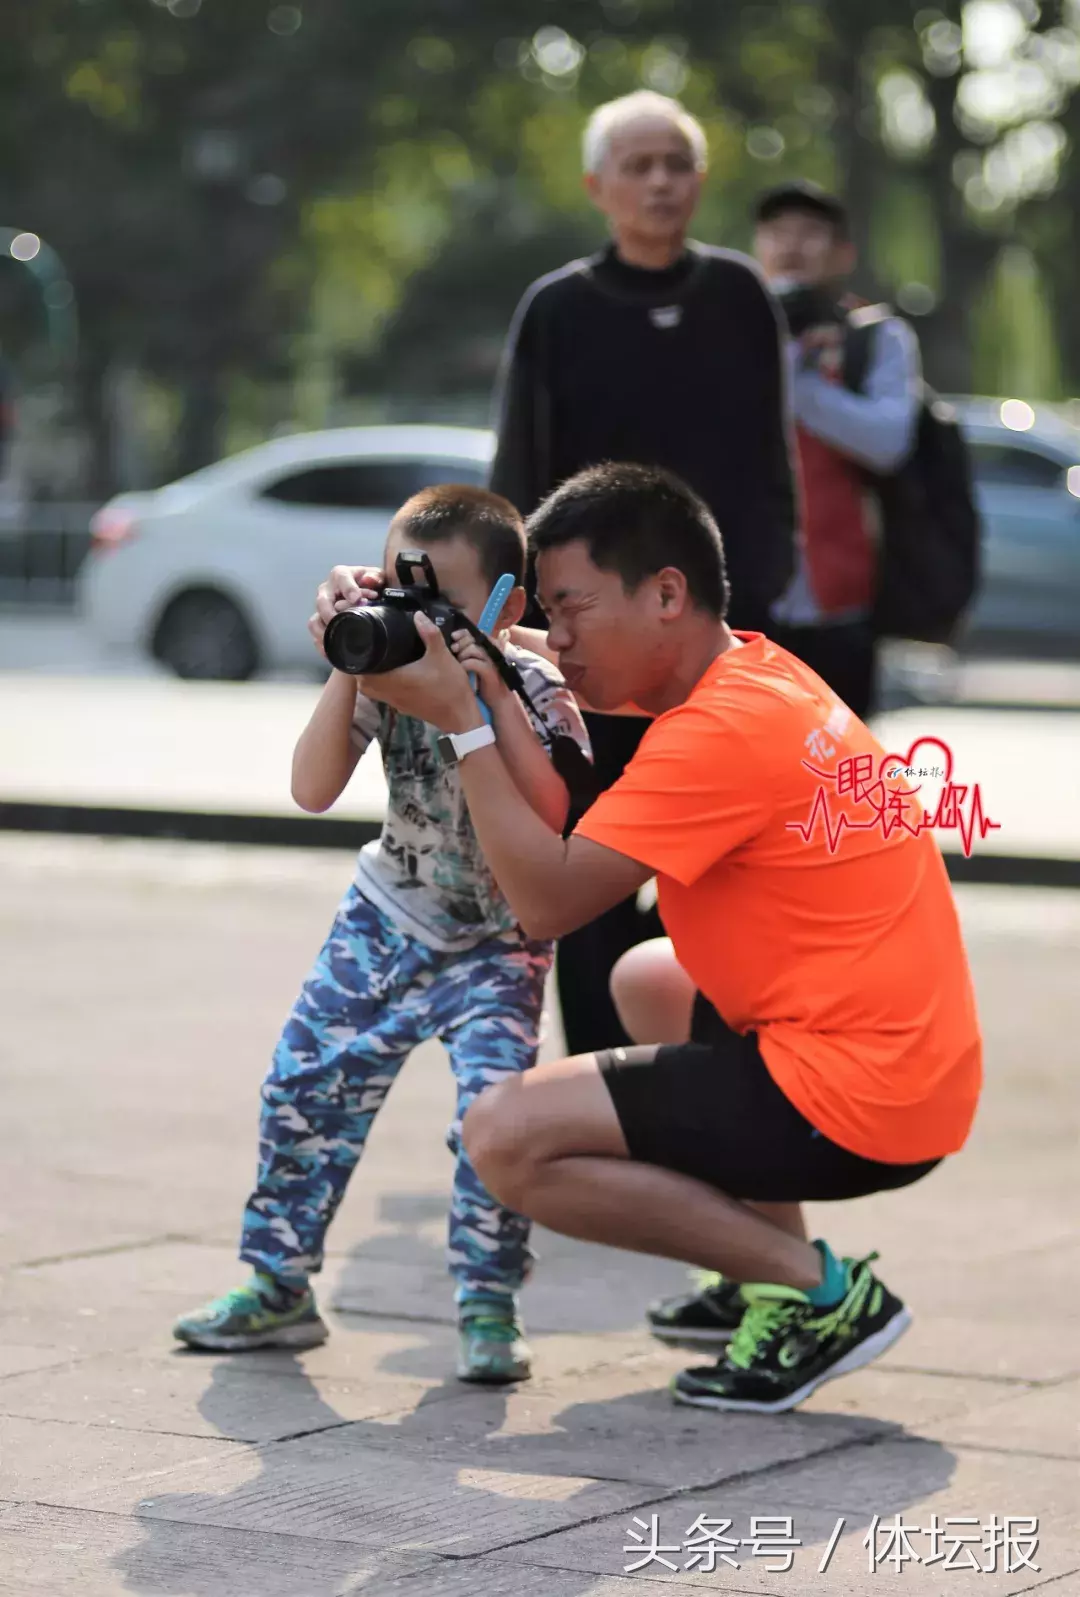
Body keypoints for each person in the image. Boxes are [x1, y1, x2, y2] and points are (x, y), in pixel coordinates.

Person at [345, 462, 982, 1413]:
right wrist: (450, 630)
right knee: (649, 977)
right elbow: (571, 674)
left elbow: (546, 905)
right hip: (909, 1064)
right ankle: (756, 1269)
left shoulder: (715, 736)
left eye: (570, 608)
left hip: (860, 1102)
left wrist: (466, 727)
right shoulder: (753, 673)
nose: (555, 638)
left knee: (503, 1139)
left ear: (667, 594)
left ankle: (818, 1292)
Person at [173, 486, 591, 1384]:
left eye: (437, 602)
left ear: (504, 605)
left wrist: (478, 696)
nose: (416, 621)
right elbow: (312, 788)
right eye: (400, 595)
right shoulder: (385, 665)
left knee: (493, 1118)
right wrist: (348, 657)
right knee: (301, 1087)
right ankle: (277, 1284)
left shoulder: (541, 683)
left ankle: (487, 1301)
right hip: (389, 912)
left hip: (501, 938)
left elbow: (557, 810)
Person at [490, 90, 797, 1058]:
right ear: (597, 186)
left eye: (677, 163)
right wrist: (514, 620)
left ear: (701, 180)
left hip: (715, 644)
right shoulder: (559, 307)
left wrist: (768, 597)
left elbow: (768, 461)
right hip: (595, 643)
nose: (661, 181)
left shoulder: (741, 295)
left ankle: (717, 1079)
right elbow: (518, 472)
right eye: (639, 165)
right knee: (595, 862)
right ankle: (599, 1081)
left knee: (727, 869)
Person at [754, 180, 924, 719]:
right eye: (777, 232)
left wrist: (802, 387)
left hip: (843, 600)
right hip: (742, 598)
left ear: (843, 253)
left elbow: (887, 443)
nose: (792, 246)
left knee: (841, 776)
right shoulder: (727, 329)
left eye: (810, 233)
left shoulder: (876, 338)